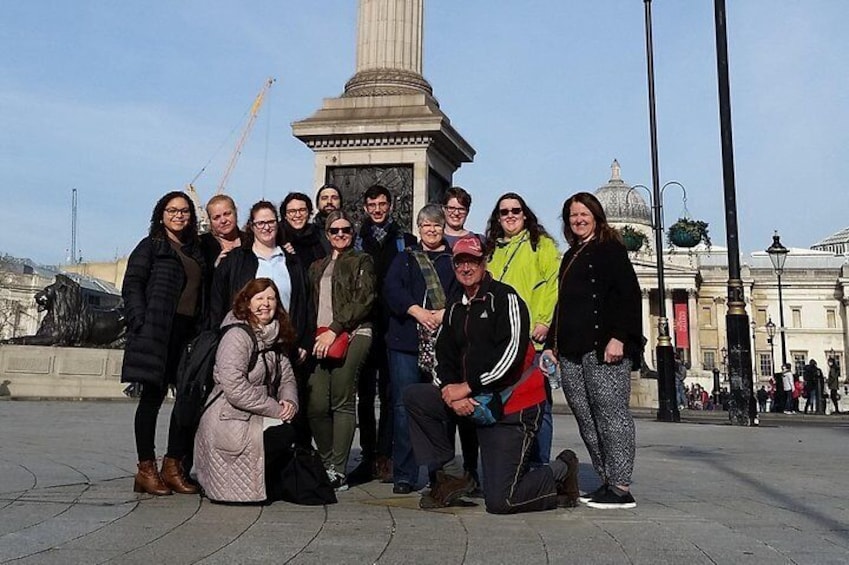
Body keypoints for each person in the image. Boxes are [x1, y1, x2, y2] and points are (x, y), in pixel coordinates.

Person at [403, 235, 579, 514]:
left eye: (472, 260)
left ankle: (561, 469)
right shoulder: (455, 305)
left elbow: (510, 357)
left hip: (511, 406)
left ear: (484, 263)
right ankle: (452, 474)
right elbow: (442, 355)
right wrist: (450, 392)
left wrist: (467, 388)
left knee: (501, 502)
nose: (465, 267)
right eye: (460, 261)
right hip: (475, 401)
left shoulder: (505, 298)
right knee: (416, 396)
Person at [542, 192, 642, 509]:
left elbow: (629, 294)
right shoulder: (572, 254)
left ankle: (622, 485)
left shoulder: (610, 249)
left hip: (603, 347)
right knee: (586, 417)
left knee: (611, 415)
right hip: (572, 349)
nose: (578, 219)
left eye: (584, 213)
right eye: (573, 215)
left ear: (597, 216)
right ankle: (607, 480)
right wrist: (551, 346)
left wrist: (620, 337)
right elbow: (564, 305)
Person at [121, 191, 207, 496]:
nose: (179, 216)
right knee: (152, 399)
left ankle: (173, 467)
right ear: (161, 214)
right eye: (172, 211)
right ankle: (146, 469)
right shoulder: (151, 246)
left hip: (187, 334)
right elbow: (132, 285)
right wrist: (140, 321)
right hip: (157, 331)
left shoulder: (195, 251)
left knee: (185, 400)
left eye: (184, 211)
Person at [209, 201, 314, 445]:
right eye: (261, 223)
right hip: (246, 346)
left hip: (286, 344)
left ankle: (290, 467)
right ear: (252, 226)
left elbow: (305, 304)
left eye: (271, 221)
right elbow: (217, 301)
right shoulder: (237, 259)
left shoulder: (292, 261)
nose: (266, 227)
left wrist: (304, 341)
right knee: (251, 407)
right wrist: (221, 337)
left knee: (292, 406)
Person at [193, 278, 299, 503]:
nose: (266, 304)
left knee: (291, 428)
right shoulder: (237, 335)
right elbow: (235, 388)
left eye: (271, 298)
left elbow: (287, 377)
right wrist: (276, 409)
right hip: (228, 415)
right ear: (247, 303)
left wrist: (289, 401)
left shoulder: (275, 336)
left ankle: (266, 480)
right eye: (259, 298)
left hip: (255, 412)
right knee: (282, 432)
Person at [384, 204, 460, 494]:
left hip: (442, 343)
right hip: (406, 343)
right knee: (404, 407)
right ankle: (405, 473)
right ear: (419, 228)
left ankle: (439, 471)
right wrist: (416, 311)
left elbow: (460, 292)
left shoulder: (452, 259)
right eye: (426, 225)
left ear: (443, 228)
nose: (431, 230)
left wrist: (442, 314)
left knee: (440, 406)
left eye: (437, 226)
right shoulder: (405, 258)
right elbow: (392, 289)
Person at [485, 192, 559, 466]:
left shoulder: (542, 245)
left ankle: (539, 464)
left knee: (538, 404)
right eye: (504, 212)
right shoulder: (492, 249)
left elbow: (553, 284)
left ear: (525, 214)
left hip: (532, 337)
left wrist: (544, 320)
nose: (510, 215)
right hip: (501, 340)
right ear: (498, 217)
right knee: (505, 402)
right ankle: (512, 463)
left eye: (516, 210)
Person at [352, 184, 417, 483]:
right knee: (364, 394)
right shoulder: (355, 241)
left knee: (391, 394)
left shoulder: (407, 241)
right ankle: (368, 454)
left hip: (395, 326)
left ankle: (386, 453)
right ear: (365, 207)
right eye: (372, 204)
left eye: (382, 204)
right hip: (365, 325)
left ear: (391, 205)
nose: (377, 209)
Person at [308, 210, 376, 491]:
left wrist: (337, 329)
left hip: (353, 332)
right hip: (320, 336)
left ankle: (338, 469)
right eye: (334, 230)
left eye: (346, 230)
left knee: (342, 397)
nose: (340, 234)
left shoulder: (362, 260)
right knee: (316, 404)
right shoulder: (316, 266)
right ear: (327, 234)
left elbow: (365, 298)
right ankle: (326, 462)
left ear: (353, 232)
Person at [279, 192, 327, 269]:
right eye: (292, 211)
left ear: (309, 213)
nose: (298, 215)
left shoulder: (318, 236)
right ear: (285, 215)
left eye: (302, 210)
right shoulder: (278, 237)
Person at [199, 194, 247, 271]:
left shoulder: (251, 240)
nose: (223, 221)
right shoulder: (201, 245)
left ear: (236, 212)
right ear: (210, 220)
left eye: (227, 214)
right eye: (216, 217)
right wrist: (216, 266)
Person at [313, 184, 343, 255]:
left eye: (334, 198)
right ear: (317, 204)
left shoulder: (349, 231)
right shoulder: (310, 233)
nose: (329, 201)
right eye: (324, 198)